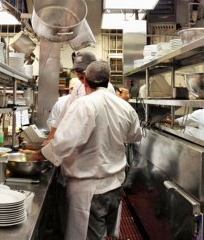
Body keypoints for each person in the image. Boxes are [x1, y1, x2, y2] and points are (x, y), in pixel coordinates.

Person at [32, 60, 142, 240]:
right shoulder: (124, 106)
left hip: (90, 190)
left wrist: (39, 155)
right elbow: (134, 136)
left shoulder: (84, 104)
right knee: (104, 234)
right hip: (114, 185)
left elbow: (64, 142)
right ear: (108, 81)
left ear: (85, 81)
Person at [45, 51, 116, 142]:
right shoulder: (78, 85)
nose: (80, 77)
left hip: (97, 139)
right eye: (77, 74)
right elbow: (65, 112)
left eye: (82, 74)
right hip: (78, 139)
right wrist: (50, 137)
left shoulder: (106, 88)